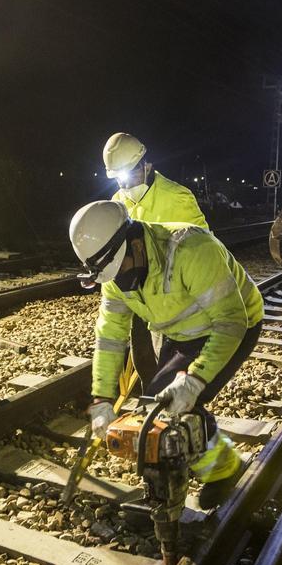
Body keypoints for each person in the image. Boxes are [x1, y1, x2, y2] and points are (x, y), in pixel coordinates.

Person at [69, 200, 263, 509]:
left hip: (233, 325)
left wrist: (195, 380)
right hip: (178, 331)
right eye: (112, 276)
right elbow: (110, 338)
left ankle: (225, 471)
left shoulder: (191, 249)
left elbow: (231, 321)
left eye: (121, 270)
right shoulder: (116, 275)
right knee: (159, 407)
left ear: (135, 242)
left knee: (176, 409)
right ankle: (175, 480)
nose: (120, 282)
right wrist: (102, 399)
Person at [102, 132, 209, 389]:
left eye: (127, 174)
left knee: (170, 366)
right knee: (143, 359)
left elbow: (204, 249)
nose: (123, 184)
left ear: (146, 165)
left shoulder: (177, 197)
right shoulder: (117, 203)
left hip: (172, 300)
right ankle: (152, 410)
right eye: (117, 177)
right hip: (139, 298)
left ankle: (176, 417)